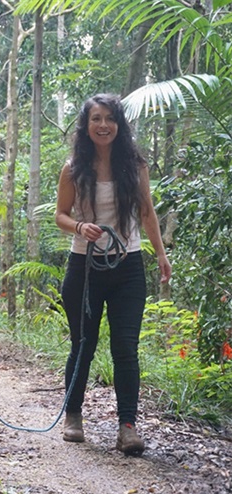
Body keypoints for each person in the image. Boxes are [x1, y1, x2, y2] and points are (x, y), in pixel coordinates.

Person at [55, 93, 172, 455]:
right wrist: (80, 227)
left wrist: (161, 256)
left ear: (119, 125)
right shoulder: (73, 168)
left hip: (128, 267)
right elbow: (59, 215)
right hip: (84, 268)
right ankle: (73, 416)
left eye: (109, 118)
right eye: (96, 119)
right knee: (83, 344)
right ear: (86, 126)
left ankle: (128, 427)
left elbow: (148, 213)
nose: (103, 125)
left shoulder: (134, 166)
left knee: (126, 348)